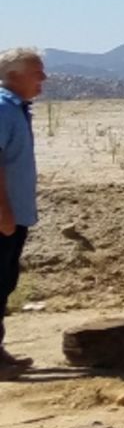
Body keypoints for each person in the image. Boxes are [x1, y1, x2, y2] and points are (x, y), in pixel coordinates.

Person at [0, 48, 46, 373]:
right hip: (3, 217)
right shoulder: (2, 109)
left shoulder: (16, 108)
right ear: (13, 76)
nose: (43, 78)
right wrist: (3, 213)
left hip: (14, 215)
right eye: (36, 72)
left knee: (4, 284)